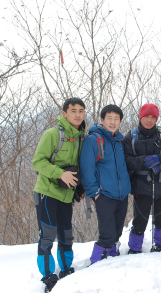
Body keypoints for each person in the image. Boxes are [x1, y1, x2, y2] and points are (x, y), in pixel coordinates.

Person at [32, 98, 86, 292]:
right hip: (47, 192)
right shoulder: (53, 134)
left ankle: (66, 270)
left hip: (66, 194)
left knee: (66, 234)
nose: (78, 114)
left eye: (81, 111)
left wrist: (79, 188)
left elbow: (78, 166)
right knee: (47, 235)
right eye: (73, 111)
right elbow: (37, 162)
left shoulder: (81, 137)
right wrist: (59, 173)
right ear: (64, 113)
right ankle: (48, 276)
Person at [123, 103, 161, 253]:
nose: (149, 120)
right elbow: (126, 160)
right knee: (140, 219)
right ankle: (134, 247)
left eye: (153, 117)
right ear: (140, 117)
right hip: (140, 185)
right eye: (146, 116)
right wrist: (145, 162)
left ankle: (160, 245)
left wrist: (160, 159)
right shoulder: (131, 136)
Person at [79, 104, 131, 264]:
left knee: (116, 232)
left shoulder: (119, 141)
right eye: (109, 118)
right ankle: (97, 262)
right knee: (107, 234)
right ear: (102, 120)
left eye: (116, 119)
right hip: (104, 194)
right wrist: (95, 193)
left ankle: (111, 259)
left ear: (120, 121)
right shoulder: (93, 140)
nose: (113, 122)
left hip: (122, 195)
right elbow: (87, 168)